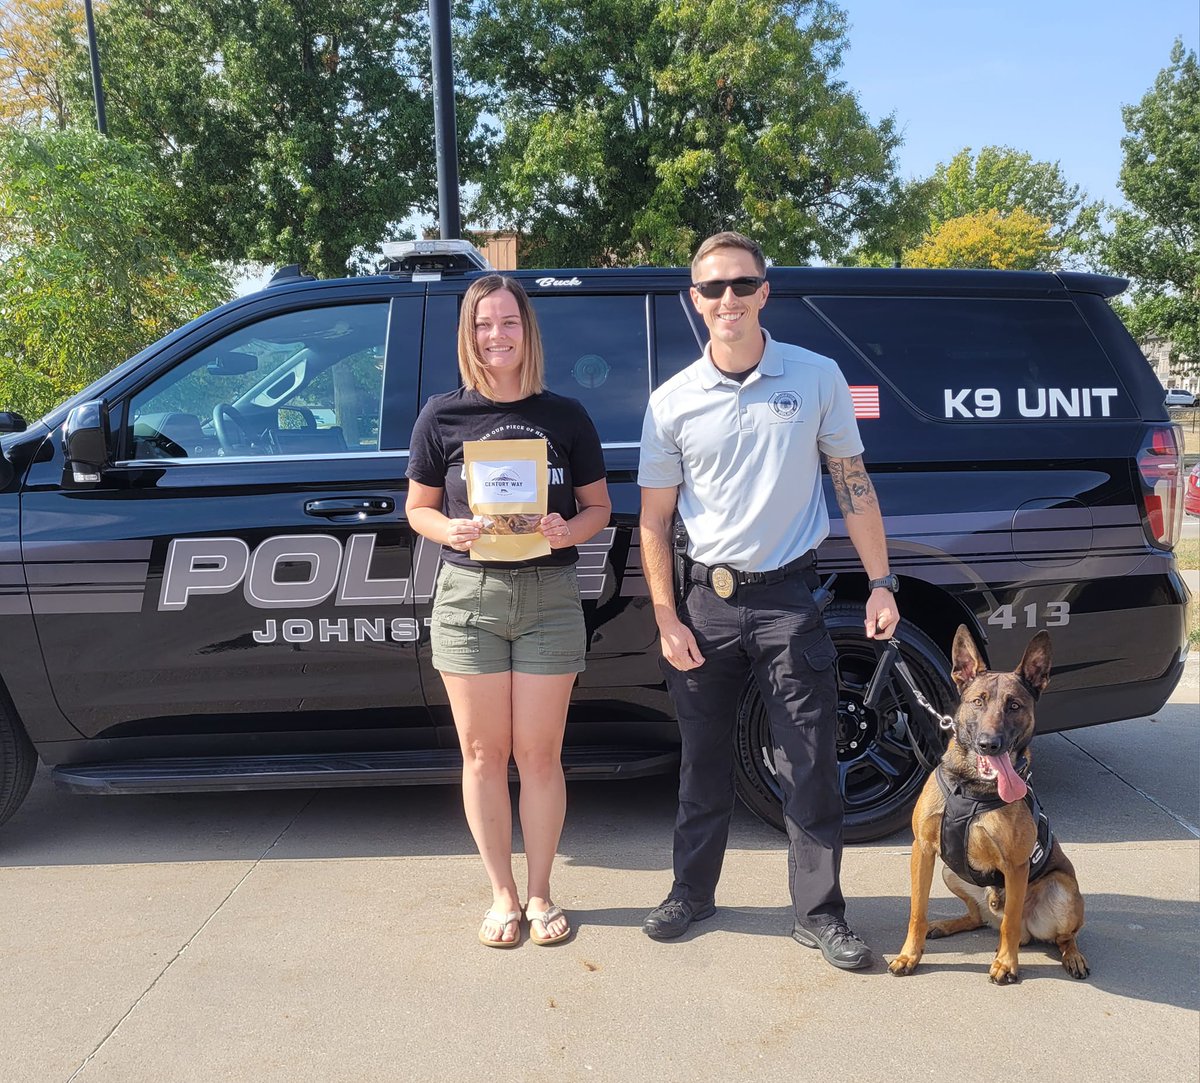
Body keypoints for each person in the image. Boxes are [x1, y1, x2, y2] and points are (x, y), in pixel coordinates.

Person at [637, 232, 898, 969]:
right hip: (704, 605)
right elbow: (654, 521)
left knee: (808, 762)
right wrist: (665, 616)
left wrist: (882, 582)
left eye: (742, 284)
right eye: (713, 287)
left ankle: (820, 913)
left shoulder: (816, 377)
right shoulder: (671, 401)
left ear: (764, 292)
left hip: (789, 598)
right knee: (702, 759)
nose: (729, 298)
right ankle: (691, 892)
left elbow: (852, 483)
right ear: (695, 300)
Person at [406, 275, 611, 948]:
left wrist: (567, 530)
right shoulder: (441, 416)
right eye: (483, 324)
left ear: (528, 330)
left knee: (540, 755)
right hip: (470, 597)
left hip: (550, 596)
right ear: (468, 335)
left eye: (508, 322)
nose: (496, 335)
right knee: (482, 754)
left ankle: (542, 891)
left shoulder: (567, 416)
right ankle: (502, 895)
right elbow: (418, 509)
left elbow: (599, 508)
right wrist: (451, 529)